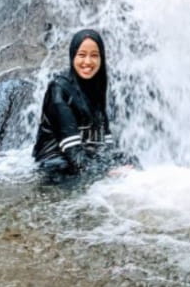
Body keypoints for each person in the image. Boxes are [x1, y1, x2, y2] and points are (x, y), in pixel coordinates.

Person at [33, 28, 134, 178]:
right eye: (82, 55)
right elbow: (74, 155)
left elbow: (105, 145)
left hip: (84, 157)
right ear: (73, 56)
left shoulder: (97, 86)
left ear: (101, 58)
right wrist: (108, 172)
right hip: (54, 164)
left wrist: (119, 164)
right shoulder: (59, 89)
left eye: (94, 55)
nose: (88, 62)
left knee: (129, 159)